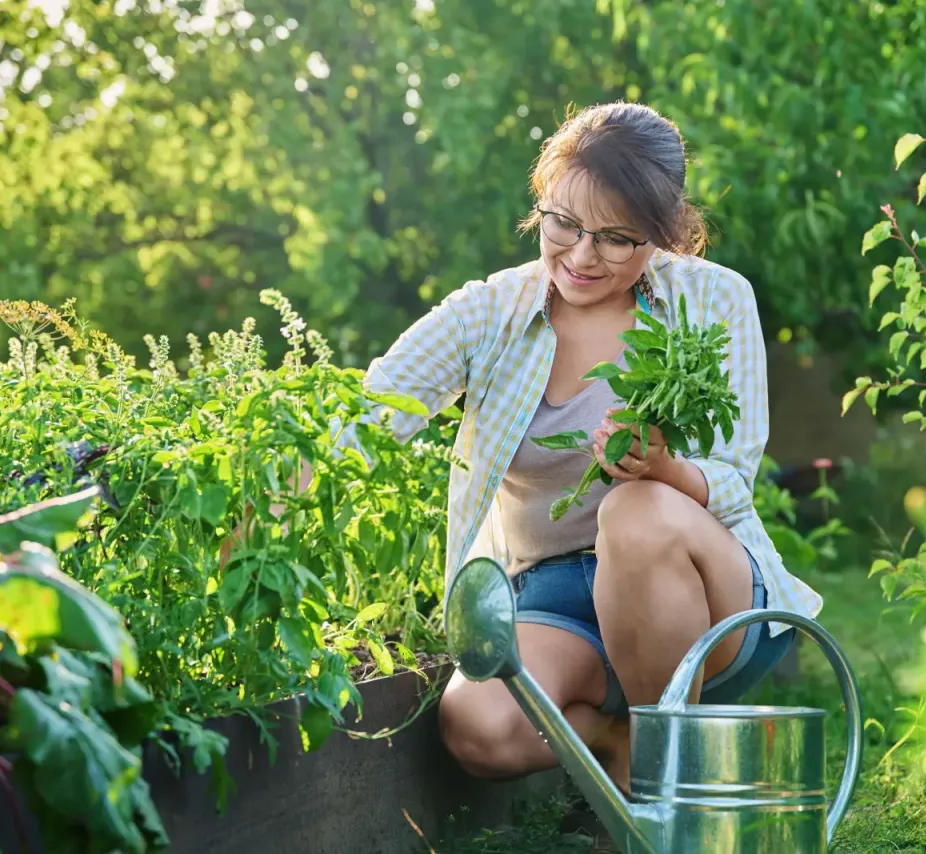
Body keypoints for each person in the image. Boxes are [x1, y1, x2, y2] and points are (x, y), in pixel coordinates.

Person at [283, 102, 823, 792]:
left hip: (700, 589)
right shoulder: (492, 314)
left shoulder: (713, 300)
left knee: (633, 512)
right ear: (541, 205)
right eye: (562, 223)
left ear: (663, 233)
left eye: (616, 238)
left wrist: (664, 469)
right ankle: (619, 744)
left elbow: (735, 476)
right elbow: (368, 412)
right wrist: (268, 490)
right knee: (479, 726)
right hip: (561, 595)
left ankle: (660, 779)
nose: (581, 255)